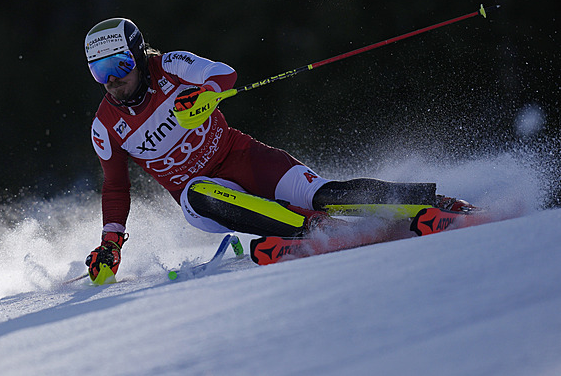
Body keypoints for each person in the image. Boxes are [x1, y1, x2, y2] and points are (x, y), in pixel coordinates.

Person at [83, 18, 474, 280]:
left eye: (118, 66)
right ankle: (311, 230)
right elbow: (116, 187)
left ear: (136, 55)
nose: (112, 82)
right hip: (203, 197)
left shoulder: (168, 65)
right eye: (100, 72)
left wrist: (207, 95)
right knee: (198, 192)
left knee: (319, 194)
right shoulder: (105, 127)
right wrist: (110, 244)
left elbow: (222, 73)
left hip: (241, 156)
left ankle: (432, 202)